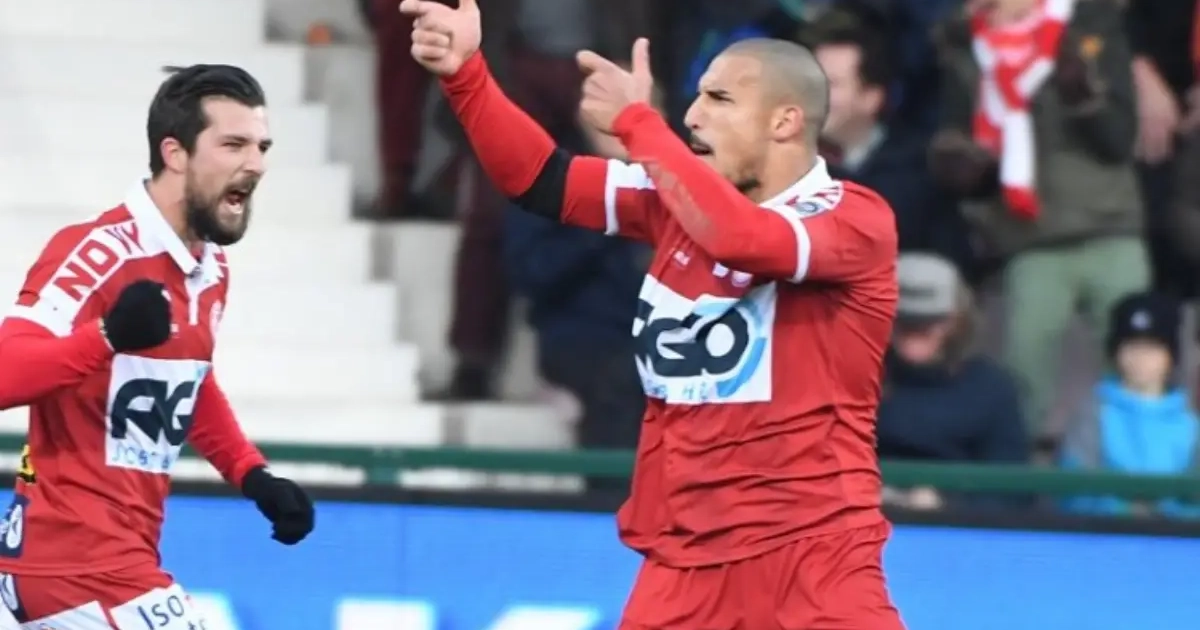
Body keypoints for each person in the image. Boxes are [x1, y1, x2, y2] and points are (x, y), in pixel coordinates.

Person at [402, 1, 905, 628]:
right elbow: (537, 177)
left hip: (813, 561)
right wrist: (466, 74)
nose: (693, 115)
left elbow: (745, 239)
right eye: (695, 97)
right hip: (683, 564)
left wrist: (639, 123)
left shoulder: (853, 218)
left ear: (784, 121)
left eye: (719, 99)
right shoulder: (676, 205)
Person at [0, 65, 315, 627]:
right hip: (76, 568)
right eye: (234, 144)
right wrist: (106, 337)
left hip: (106, 563)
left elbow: (188, 380)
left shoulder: (210, 267)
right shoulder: (97, 252)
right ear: (175, 154)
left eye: (262, 146)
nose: (256, 164)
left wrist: (252, 474)